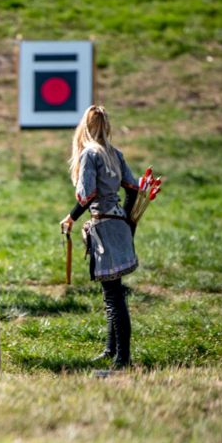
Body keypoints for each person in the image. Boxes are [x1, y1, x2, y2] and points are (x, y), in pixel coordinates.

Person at [59, 106, 140, 368]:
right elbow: (132, 189)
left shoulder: (89, 153)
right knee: (112, 292)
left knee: (114, 295)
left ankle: (122, 359)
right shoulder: (114, 153)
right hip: (117, 223)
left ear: (85, 127)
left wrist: (71, 217)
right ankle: (110, 350)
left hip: (104, 227)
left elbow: (88, 194)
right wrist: (126, 218)